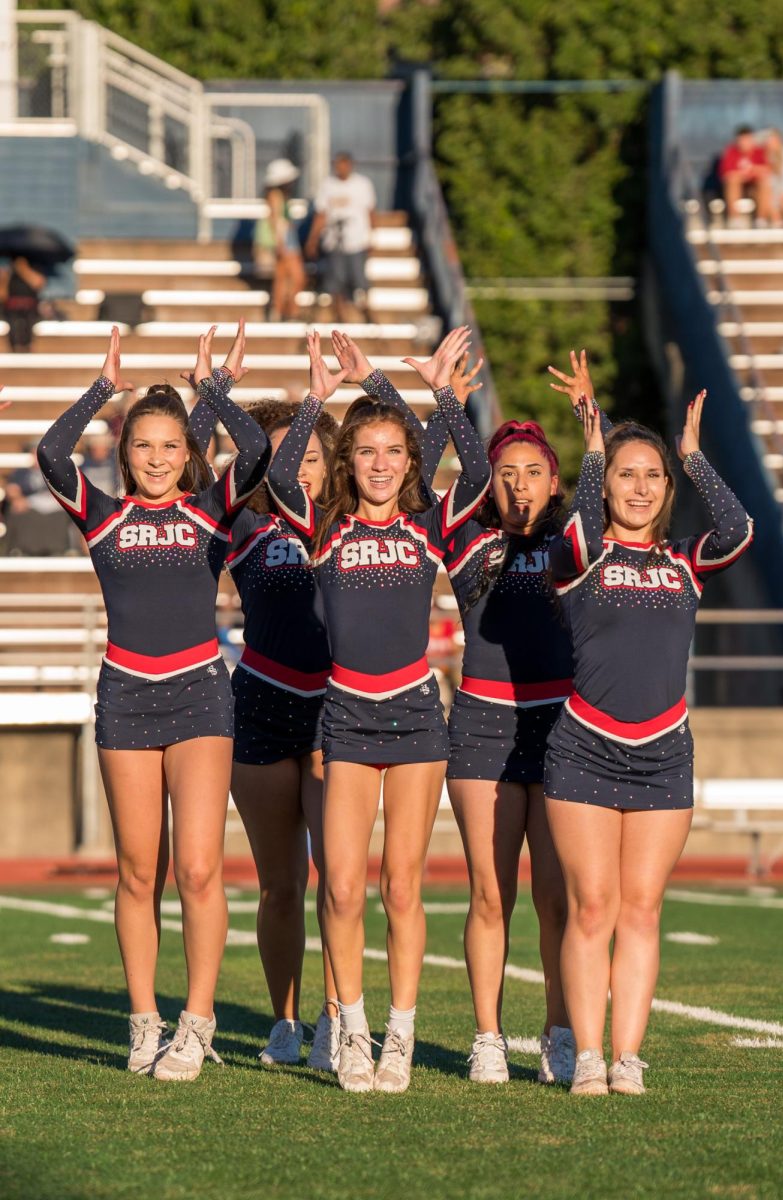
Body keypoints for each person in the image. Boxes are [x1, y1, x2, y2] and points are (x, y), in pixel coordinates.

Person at [36, 325, 269, 1081]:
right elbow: (48, 456)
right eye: (144, 446)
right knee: (139, 870)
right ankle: (145, 1022)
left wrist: (215, 392)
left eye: (172, 446)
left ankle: (196, 1022)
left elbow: (258, 456)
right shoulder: (102, 516)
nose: (159, 458)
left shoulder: (209, 512)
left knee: (198, 871)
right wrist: (103, 388)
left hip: (202, 694)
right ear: (125, 451)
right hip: (126, 698)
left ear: (186, 452)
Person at [267, 326, 490, 1093]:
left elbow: (483, 467)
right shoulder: (321, 527)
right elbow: (275, 474)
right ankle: (351, 1029)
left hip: (418, 720)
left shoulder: (429, 527)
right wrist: (317, 402)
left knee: (403, 887)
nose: (382, 464)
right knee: (339, 885)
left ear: (410, 462)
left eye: (395, 452)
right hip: (346, 721)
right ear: (348, 461)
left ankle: (400, 1034)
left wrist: (439, 392)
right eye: (366, 452)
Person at [544, 380, 753, 1097]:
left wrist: (693, 456)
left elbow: (739, 531)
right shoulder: (583, 556)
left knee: (641, 908)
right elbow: (574, 523)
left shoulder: (686, 561)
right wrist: (595, 450)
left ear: (667, 488)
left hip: (665, 752)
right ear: (607, 486)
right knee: (592, 905)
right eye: (627, 475)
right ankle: (589, 1057)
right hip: (583, 748)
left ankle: (627, 1056)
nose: (638, 487)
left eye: (651, 476)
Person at [428, 353, 582, 1087]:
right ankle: (488, 1035)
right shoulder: (466, 539)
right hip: (482, 729)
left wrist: (593, 420)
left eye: (533, 471)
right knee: (491, 894)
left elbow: (612, 491)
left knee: (557, 897)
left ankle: (558, 1031)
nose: (520, 484)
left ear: (555, 480)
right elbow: (457, 464)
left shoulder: (571, 544)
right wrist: (447, 402)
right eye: (506, 471)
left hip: (559, 732)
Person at [189, 366, 342, 1071]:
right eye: (282, 455)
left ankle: (339, 1017)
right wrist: (211, 396)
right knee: (283, 885)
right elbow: (179, 486)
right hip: (260, 704)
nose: (294, 468)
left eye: (308, 455)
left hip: (339, 712)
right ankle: (284, 1023)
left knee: (340, 883)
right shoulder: (240, 522)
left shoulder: (351, 523)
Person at [305, 153, 376, 322]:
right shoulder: (327, 185)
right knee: (336, 279)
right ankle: (340, 313)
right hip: (334, 241)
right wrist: (313, 239)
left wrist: (372, 235)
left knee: (359, 278)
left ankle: (364, 311)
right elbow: (321, 214)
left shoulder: (362, 184)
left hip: (357, 240)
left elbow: (370, 210)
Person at [254, 159, 306, 320]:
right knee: (297, 277)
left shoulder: (277, 196)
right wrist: (281, 243)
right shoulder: (275, 196)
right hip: (285, 240)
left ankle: (278, 311)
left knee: (282, 277)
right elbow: (276, 221)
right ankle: (290, 311)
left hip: (285, 239)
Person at [718, 126, 772, 225]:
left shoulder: (759, 152)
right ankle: (734, 219)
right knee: (733, 181)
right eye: (742, 140)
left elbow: (766, 170)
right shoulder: (731, 152)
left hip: (754, 188)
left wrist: (753, 170)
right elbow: (726, 175)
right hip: (737, 187)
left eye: (747, 139)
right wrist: (743, 174)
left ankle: (761, 219)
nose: (745, 143)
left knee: (764, 182)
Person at [2, 256, 46, 352]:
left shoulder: (35, 266)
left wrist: (23, 270)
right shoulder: (8, 269)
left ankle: (28, 345)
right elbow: (3, 293)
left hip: (30, 305)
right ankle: (15, 347)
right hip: (11, 305)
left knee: (28, 326)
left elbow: (38, 283)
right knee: (13, 326)